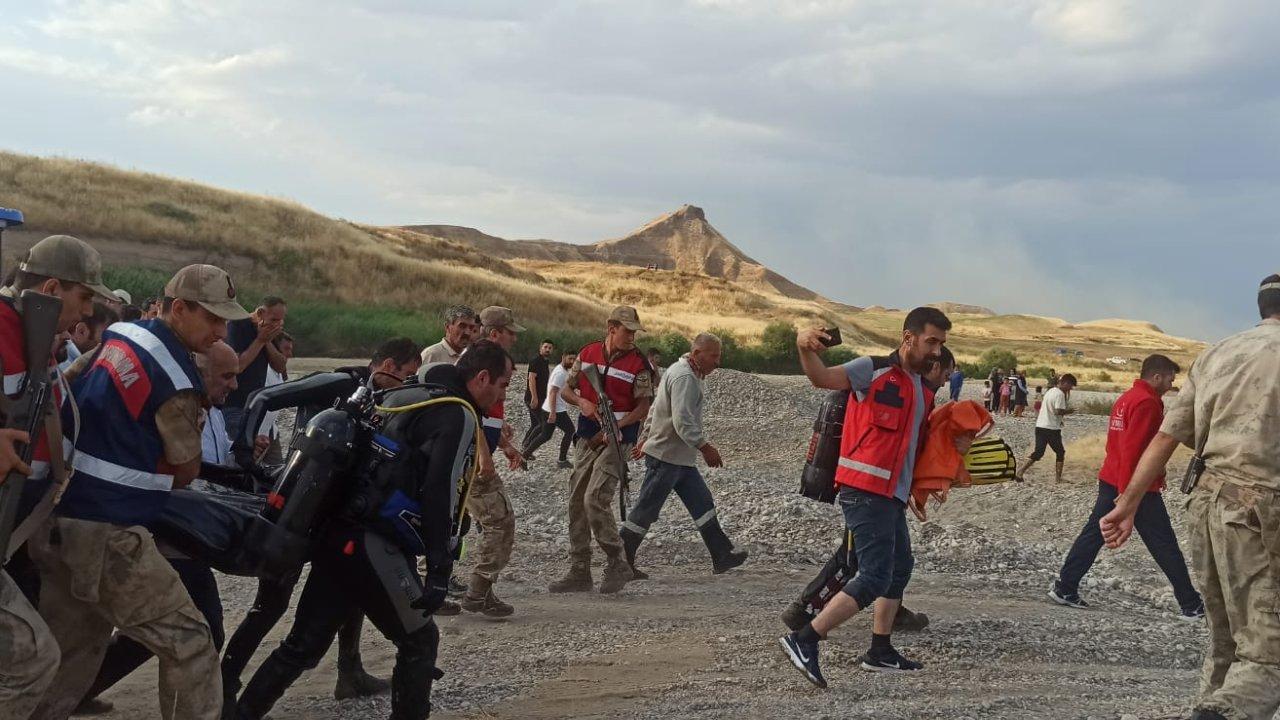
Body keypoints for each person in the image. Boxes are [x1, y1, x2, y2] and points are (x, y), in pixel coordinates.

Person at [235, 341, 512, 720]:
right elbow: (439, 490)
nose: (503, 394)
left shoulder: (411, 393)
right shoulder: (456, 413)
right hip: (371, 544)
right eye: (504, 384)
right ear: (482, 378)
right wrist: (439, 568)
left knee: (301, 646)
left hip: (336, 535)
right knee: (420, 640)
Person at [28, 263, 249, 720]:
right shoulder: (177, 381)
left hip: (54, 516)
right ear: (180, 308)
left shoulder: (123, 333)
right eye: (212, 319)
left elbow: (64, 387)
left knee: (71, 654)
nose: (221, 331)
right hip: (108, 533)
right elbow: (186, 470)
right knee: (190, 642)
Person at [1100, 275, 1280, 720]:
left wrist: (1127, 501)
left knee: (1224, 641)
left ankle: (1209, 706)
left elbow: (1166, 437)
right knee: (1268, 655)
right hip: (1261, 513)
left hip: (1206, 505)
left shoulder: (1217, 354)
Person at [222, 337, 422, 709]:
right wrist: (247, 457)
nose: (411, 384)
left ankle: (350, 671)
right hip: (297, 510)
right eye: (409, 375)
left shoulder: (384, 401)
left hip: (329, 515)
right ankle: (225, 681)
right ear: (390, 366)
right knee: (271, 606)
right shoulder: (342, 382)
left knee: (352, 593)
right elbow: (262, 399)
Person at [777, 306, 950, 688]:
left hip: (892, 496)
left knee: (900, 566)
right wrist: (805, 348)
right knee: (872, 576)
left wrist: (920, 489)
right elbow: (821, 378)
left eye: (941, 343)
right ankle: (804, 639)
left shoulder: (923, 392)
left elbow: (911, 451)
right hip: (864, 490)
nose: (937, 351)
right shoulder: (870, 370)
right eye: (931, 341)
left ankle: (880, 651)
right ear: (909, 338)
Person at [74, 340, 244, 716]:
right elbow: (179, 471)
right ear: (200, 374)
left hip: (182, 533)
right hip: (162, 534)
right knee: (196, 635)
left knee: (163, 632)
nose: (233, 385)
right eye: (227, 376)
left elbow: (212, 462)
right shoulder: (175, 405)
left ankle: (77, 691)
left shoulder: (208, 409)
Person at [0, 234, 115, 720]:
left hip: (16, 526)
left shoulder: (35, 336)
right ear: (51, 287)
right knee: (31, 659)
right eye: (84, 297)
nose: (86, 313)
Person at [1047, 354, 1202, 618]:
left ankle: (1066, 586)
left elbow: (1114, 444)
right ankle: (1191, 604)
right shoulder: (1147, 403)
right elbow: (1133, 450)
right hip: (1133, 486)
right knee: (1164, 544)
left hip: (1114, 478)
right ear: (1156, 376)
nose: (1171, 383)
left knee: (1095, 532)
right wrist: (1127, 495)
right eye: (1169, 378)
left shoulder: (1126, 398)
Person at [548, 306, 655, 595]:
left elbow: (643, 408)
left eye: (634, 331)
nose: (631, 336)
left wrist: (618, 426)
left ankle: (617, 561)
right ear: (611, 328)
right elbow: (568, 389)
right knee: (576, 501)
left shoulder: (639, 364)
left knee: (595, 498)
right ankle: (579, 570)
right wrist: (582, 403)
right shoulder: (588, 354)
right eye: (627, 331)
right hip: (587, 435)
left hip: (619, 438)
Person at [623, 333, 747, 579]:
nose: (717, 362)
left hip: (680, 458)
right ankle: (621, 562)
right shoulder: (684, 377)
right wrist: (705, 447)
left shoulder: (683, 372)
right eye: (714, 356)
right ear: (697, 354)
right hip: (666, 457)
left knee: (702, 502)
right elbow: (682, 422)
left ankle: (721, 555)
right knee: (645, 510)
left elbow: (656, 410)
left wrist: (645, 437)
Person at [455, 307, 525, 617]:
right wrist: (485, 456)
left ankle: (481, 591)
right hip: (471, 457)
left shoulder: (489, 362)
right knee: (499, 522)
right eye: (510, 332)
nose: (514, 337)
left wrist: (505, 443)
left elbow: (488, 413)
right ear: (495, 333)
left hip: (478, 452)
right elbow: (471, 411)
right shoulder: (479, 363)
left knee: (483, 523)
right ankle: (477, 590)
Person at [222, 296, 288, 443]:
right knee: (241, 452)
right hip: (234, 405)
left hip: (255, 407)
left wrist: (267, 341)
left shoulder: (269, 331)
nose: (277, 324)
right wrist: (260, 341)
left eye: (280, 321)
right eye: (274, 320)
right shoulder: (237, 325)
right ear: (260, 313)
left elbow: (280, 366)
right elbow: (237, 365)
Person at [1016, 374, 1077, 482]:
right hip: (1051, 428)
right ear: (1066, 383)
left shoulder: (1051, 391)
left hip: (1040, 426)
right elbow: (1058, 411)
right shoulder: (1060, 394)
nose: (1070, 389)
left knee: (1038, 452)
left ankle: (1020, 472)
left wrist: (1060, 421)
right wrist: (1069, 411)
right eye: (1070, 386)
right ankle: (1058, 479)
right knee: (1060, 452)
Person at [521, 350, 577, 469]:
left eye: (574, 359)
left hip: (550, 408)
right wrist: (552, 412)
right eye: (570, 359)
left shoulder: (562, 370)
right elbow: (552, 392)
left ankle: (524, 456)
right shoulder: (560, 373)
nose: (572, 362)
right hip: (555, 409)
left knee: (545, 435)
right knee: (570, 430)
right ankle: (562, 460)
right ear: (563, 357)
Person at [520, 339, 554, 456]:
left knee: (535, 424)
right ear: (540, 348)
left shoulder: (545, 362)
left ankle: (525, 447)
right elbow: (531, 379)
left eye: (550, 348)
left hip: (541, 398)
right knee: (541, 424)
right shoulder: (536, 361)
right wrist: (534, 397)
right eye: (545, 347)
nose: (548, 349)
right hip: (533, 398)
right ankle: (526, 446)